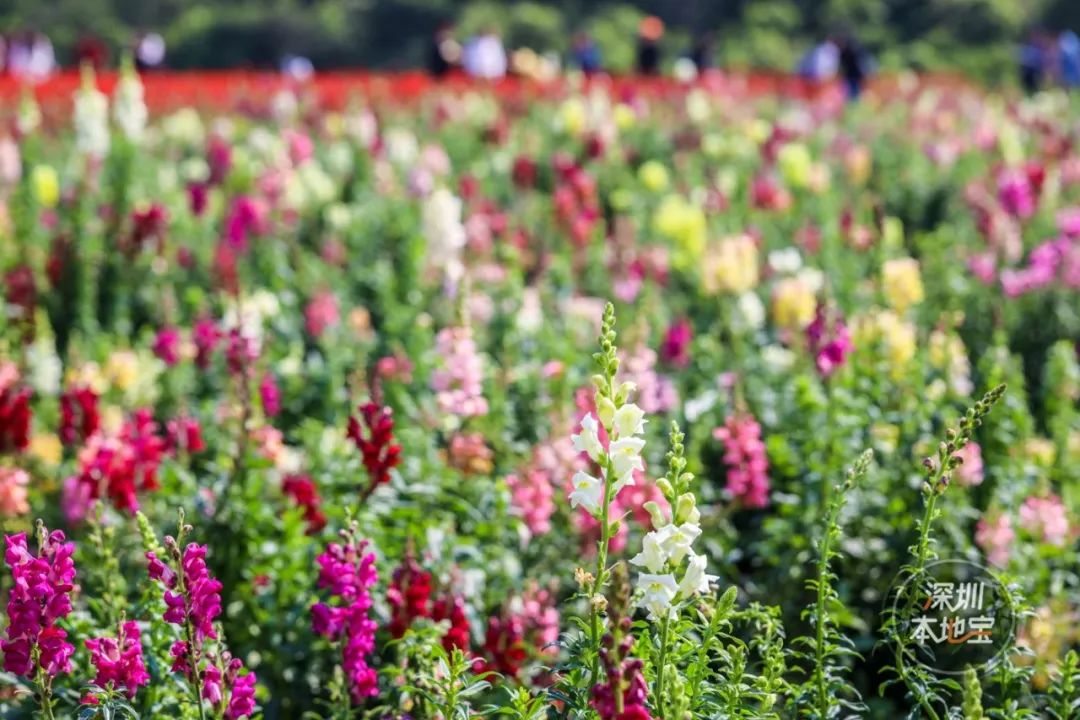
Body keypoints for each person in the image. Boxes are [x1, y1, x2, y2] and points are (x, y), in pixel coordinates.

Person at [837, 33, 868, 101]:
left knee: (853, 90)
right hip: (852, 74)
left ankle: (853, 101)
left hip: (853, 74)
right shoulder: (855, 51)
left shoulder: (845, 52)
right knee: (853, 90)